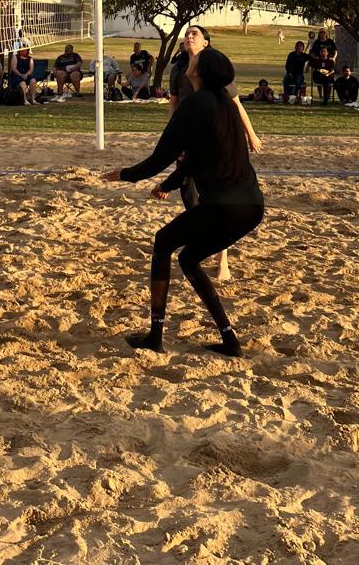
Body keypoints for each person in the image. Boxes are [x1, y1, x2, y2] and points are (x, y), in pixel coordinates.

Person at [103, 47, 264, 358]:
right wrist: (169, 184)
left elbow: (158, 158)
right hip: (252, 206)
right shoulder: (225, 107)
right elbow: (196, 158)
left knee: (163, 241)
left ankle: (155, 335)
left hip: (223, 206)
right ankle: (230, 340)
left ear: (200, 71)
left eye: (194, 59)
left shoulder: (195, 104)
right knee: (189, 259)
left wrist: (124, 175)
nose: (189, 59)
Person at [167, 25, 262, 282]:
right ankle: (204, 241)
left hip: (213, 140)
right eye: (187, 34)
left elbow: (236, 105)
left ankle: (223, 260)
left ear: (206, 43)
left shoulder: (216, 71)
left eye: (194, 34)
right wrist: (172, 137)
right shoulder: (178, 70)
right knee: (190, 196)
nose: (189, 37)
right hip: (188, 138)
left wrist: (250, 134)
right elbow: (174, 105)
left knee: (218, 197)